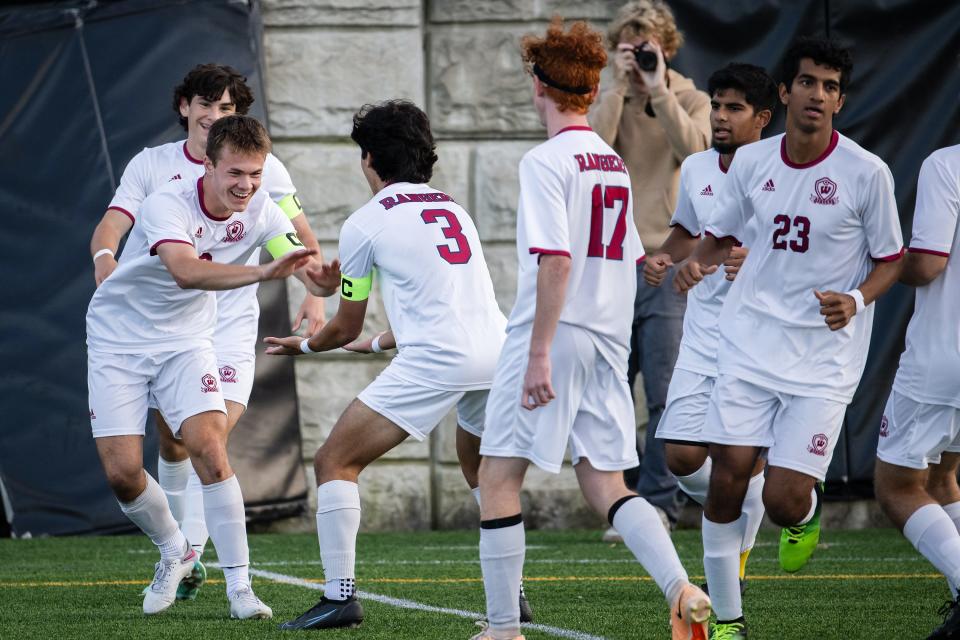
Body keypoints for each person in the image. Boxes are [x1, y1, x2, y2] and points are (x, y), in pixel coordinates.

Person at [472, 19, 710, 640]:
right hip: (607, 336)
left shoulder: (545, 160)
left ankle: (502, 628)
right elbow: (630, 252)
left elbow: (556, 259)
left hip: (557, 333)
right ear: (589, 86)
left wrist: (539, 353)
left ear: (538, 86)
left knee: (498, 478)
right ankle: (681, 589)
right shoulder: (608, 160)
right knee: (605, 482)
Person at [673, 37, 904, 639]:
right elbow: (717, 234)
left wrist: (854, 299)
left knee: (779, 500)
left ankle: (803, 511)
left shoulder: (866, 172)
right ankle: (727, 624)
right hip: (748, 344)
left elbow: (891, 259)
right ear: (786, 91)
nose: (817, 95)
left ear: (840, 100)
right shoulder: (752, 163)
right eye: (807, 82)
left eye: (830, 87)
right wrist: (694, 262)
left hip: (824, 359)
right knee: (725, 478)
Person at [262, 99, 513, 631]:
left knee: (335, 461)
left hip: (439, 360)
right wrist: (378, 344)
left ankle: (340, 597)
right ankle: (511, 596)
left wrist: (303, 348)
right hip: (496, 352)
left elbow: (343, 325)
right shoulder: (453, 208)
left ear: (369, 157)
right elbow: (453, 305)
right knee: (484, 470)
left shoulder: (365, 223)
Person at [88, 63, 325, 599]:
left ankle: (220, 574)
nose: (215, 116)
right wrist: (105, 257)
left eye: (227, 108)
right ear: (185, 109)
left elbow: (295, 240)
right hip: (143, 321)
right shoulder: (157, 172)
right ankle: (182, 550)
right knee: (168, 444)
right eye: (207, 105)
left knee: (207, 441)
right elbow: (118, 228)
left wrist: (316, 287)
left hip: (223, 320)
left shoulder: (259, 174)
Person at [644, 63, 777, 593]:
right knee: (680, 454)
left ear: (763, 118)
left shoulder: (782, 170)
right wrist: (663, 257)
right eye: (717, 106)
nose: (720, 117)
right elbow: (687, 230)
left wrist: (755, 260)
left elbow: (803, 247)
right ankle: (747, 504)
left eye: (734, 108)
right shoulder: (697, 166)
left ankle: (734, 567)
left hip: (763, 332)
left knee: (738, 458)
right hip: (704, 329)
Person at [589, 0, 711, 534]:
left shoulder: (690, 97)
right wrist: (617, 86)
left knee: (664, 389)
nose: (638, 58)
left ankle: (661, 501)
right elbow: (590, 153)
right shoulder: (609, 97)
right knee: (612, 386)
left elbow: (698, 150)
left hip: (666, 258)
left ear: (666, 47)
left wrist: (658, 88)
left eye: (647, 48)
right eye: (630, 47)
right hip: (614, 262)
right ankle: (627, 500)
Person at [873, 143, 960, 640]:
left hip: (942, 356)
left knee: (897, 486)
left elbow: (928, 263)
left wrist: (880, 261)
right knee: (944, 479)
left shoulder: (945, 163)